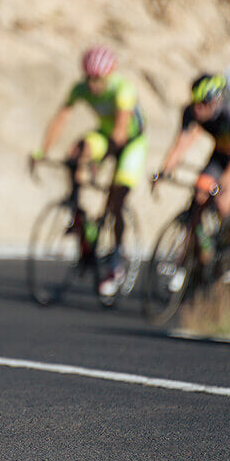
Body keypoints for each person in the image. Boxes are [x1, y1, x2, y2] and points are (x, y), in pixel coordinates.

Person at [32, 45, 147, 295]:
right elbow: (61, 118)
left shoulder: (122, 89)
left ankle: (117, 257)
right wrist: (43, 151)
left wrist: (98, 162)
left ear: (108, 75)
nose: (94, 85)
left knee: (116, 201)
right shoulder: (81, 89)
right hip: (106, 135)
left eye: (99, 80)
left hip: (131, 142)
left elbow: (119, 133)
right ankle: (77, 214)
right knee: (75, 153)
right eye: (90, 79)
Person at [154, 74, 230, 221]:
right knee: (199, 197)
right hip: (220, 155)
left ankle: (228, 239)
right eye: (195, 103)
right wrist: (163, 171)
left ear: (215, 102)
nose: (197, 109)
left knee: (222, 201)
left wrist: (222, 183)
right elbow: (180, 146)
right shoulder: (191, 112)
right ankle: (197, 241)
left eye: (203, 104)